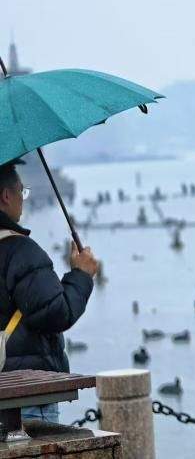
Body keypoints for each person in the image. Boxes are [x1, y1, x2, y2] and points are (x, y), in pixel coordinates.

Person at [0, 159, 99, 423]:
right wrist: (81, 275)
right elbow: (55, 313)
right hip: (23, 394)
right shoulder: (19, 251)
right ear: (6, 196)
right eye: (22, 192)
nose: (22, 200)